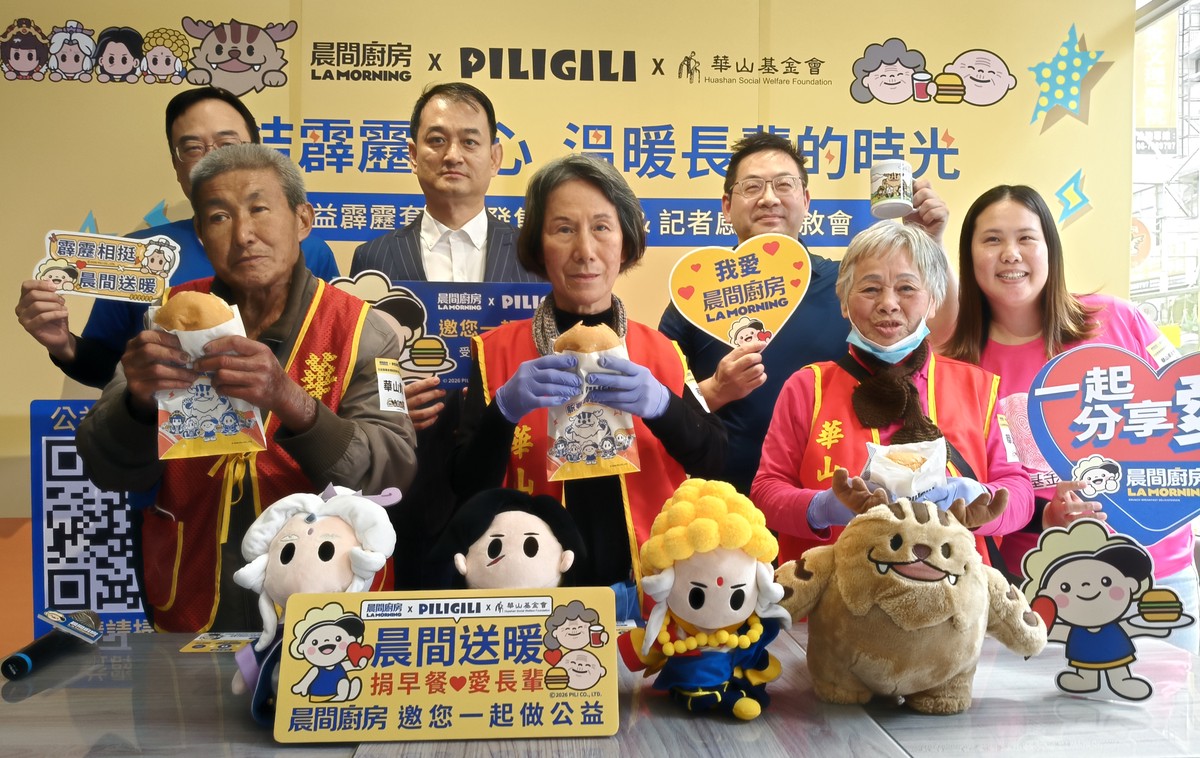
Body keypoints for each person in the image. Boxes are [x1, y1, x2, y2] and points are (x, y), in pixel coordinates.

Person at [76, 143, 417, 634]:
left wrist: (292, 401)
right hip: (191, 583)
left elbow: (393, 469)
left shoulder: (365, 330)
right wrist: (137, 404)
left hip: (326, 603)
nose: (243, 234)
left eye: (260, 209)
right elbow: (104, 467)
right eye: (219, 217)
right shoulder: (168, 318)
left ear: (302, 220)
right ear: (200, 233)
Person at [453, 154, 725, 595]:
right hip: (531, 594)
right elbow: (463, 486)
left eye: (601, 227)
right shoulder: (493, 351)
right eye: (564, 229)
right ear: (538, 246)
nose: (585, 250)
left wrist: (662, 406)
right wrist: (503, 411)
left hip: (649, 591)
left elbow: (715, 458)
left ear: (625, 242)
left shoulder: (663, 352)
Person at [943, 184, 1197, 653]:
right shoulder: (956, 366)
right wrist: (1045, 517)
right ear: (969, 255)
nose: (1010, 254)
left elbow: (1187, 409)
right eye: (992, 239)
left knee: (1175, 697)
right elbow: (970, 493)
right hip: (1041, 580)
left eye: (1026, 237)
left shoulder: (1117, 320)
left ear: (1050, 249)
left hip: (1159, 569)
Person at [659, 132, 953, 496]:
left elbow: (936, 336)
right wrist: (715, 390)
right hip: (722, 506)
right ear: (727, 205)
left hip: (837, 503)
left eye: (784, 185)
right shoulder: (695, 298)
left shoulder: (851, 287)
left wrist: (930, 245)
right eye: (752, 186)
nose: (769, 198)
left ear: (806, 199)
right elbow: (658, 405)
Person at [15, 86, 340, 390]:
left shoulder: (309, 250)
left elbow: (334, 358)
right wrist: (63, 344)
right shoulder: (138, 255)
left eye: (228, 145)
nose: (211, 160)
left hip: (287, 430)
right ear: (176, 164)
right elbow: (111, 372)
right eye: (192, 148)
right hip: (167, 431)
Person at [350, 82, 545, 588]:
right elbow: (365, 369)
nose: (453, 154)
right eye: (436, 140)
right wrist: (392, 401)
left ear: (495, 156)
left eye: (470, 141)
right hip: (411, 471)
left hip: (508, 469)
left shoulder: (534, 254)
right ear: (412, 154)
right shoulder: (373, 258)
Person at [751, 222, 1030, 564]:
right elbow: (766, 491)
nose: (888, 303)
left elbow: (1020, 494)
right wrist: (821, 507)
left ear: (933, 301)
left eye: (907, 288)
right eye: (870, 289)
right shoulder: (807, 387)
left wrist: (976, 497)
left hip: (954, 588)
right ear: (844, 302)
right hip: (834, 590)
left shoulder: (980, 388)